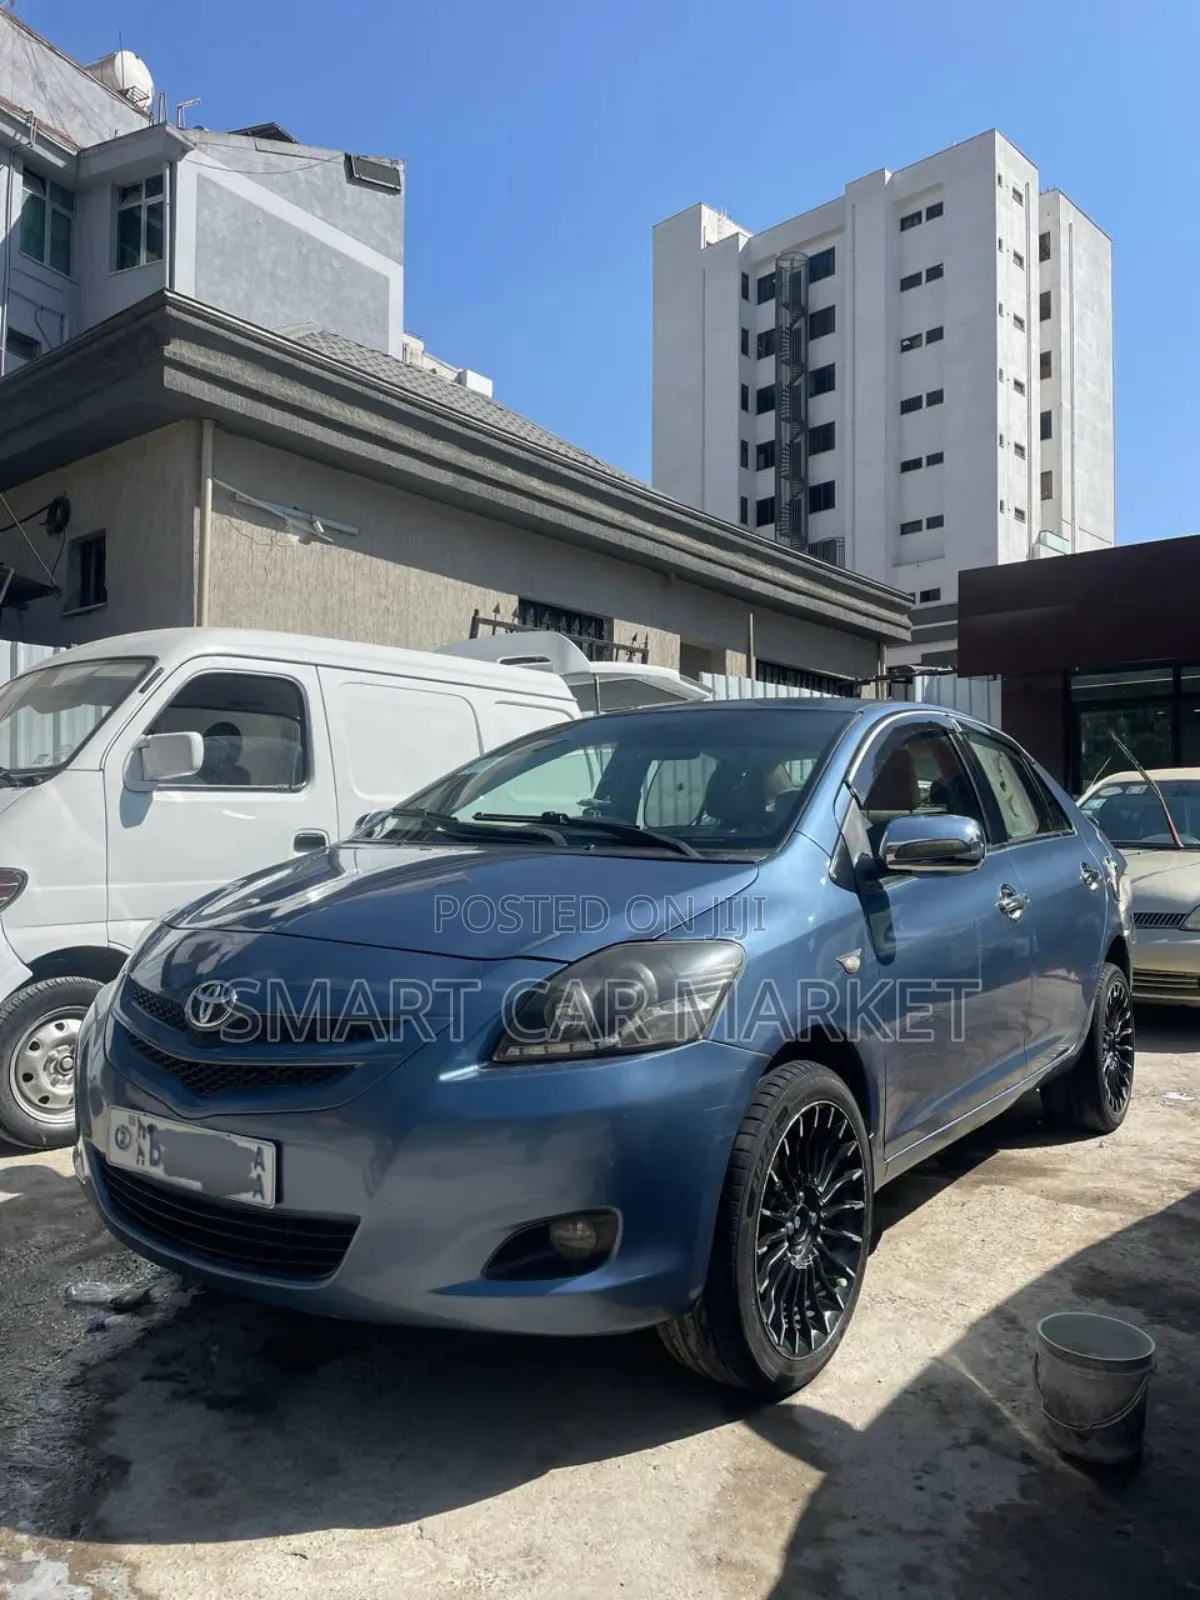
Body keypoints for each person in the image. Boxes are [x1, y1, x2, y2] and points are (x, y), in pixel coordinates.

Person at [200, 721, 252, 786]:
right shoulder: (190, 774)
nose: (229, 751)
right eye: (219, 747)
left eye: (237, 747)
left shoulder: (241, 775)